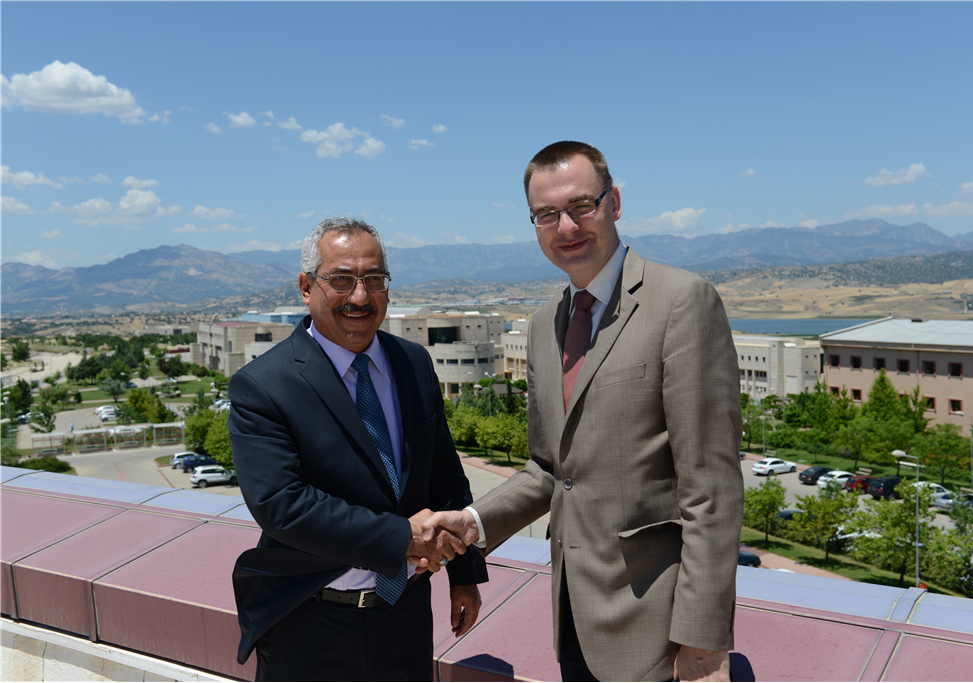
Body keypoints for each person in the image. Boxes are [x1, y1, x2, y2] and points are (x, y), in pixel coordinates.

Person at [424, 141, 744, 681]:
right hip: (573, 619)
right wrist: (473, 522)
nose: (566, 227)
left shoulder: (682, 301)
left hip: (659, 630)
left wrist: (703, 640)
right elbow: (550, 469)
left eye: (581, 205)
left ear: (613, 202)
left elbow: (711, 486)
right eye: (546, 214)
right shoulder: (544, 324)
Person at [228, 218, 488, 682]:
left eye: (374, 279)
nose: (361, 297)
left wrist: (464, 573)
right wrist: (400, 538)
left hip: (406, 615)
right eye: (342, 279)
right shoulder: (264, 385)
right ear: (306, 287)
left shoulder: (413, 362)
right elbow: (282, 505)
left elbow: (444, 475)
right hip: (309, 623)